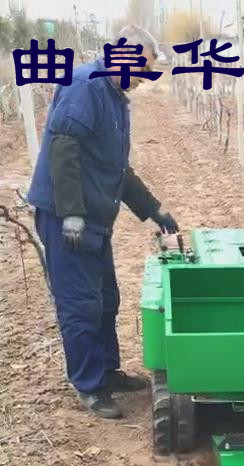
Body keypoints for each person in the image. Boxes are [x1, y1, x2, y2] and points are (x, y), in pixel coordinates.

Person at [27, 25, 179, 419]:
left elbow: (117, 170)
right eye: (141, 67)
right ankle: (89, 385)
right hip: (68, 220)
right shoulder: (84, 87)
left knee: (105, 299)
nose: (144, 77)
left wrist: (153, 209)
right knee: (80, 303)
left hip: (95, 218)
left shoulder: (115, 98)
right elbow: (64, 150)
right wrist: (72, 213)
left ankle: (107, 371)